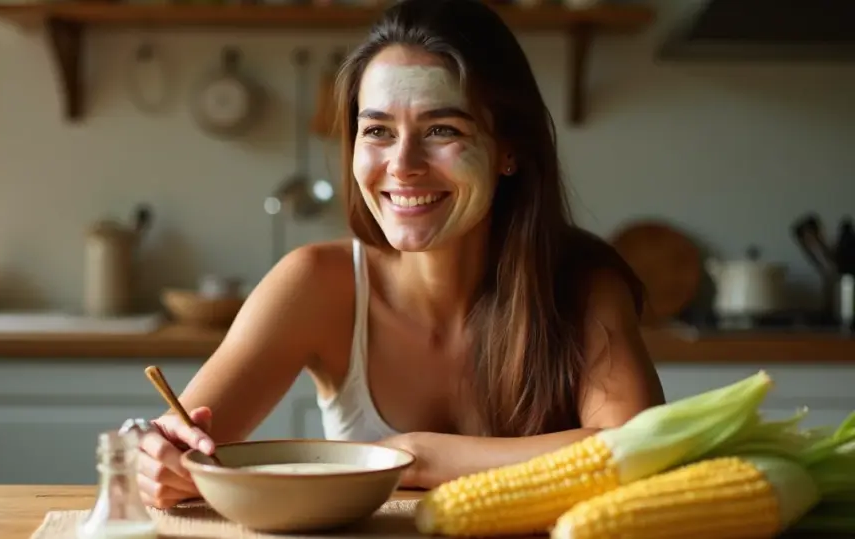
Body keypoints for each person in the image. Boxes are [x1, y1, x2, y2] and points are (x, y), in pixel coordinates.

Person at [136, 0, 665, 509]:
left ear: (510, 150)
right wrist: (157, 460)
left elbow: (644, 450)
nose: (402, 164)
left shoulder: (582, 285)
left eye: (441, 130)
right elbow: (180, 447)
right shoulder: (315, 284)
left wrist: (419, 458)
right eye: (379, 132)